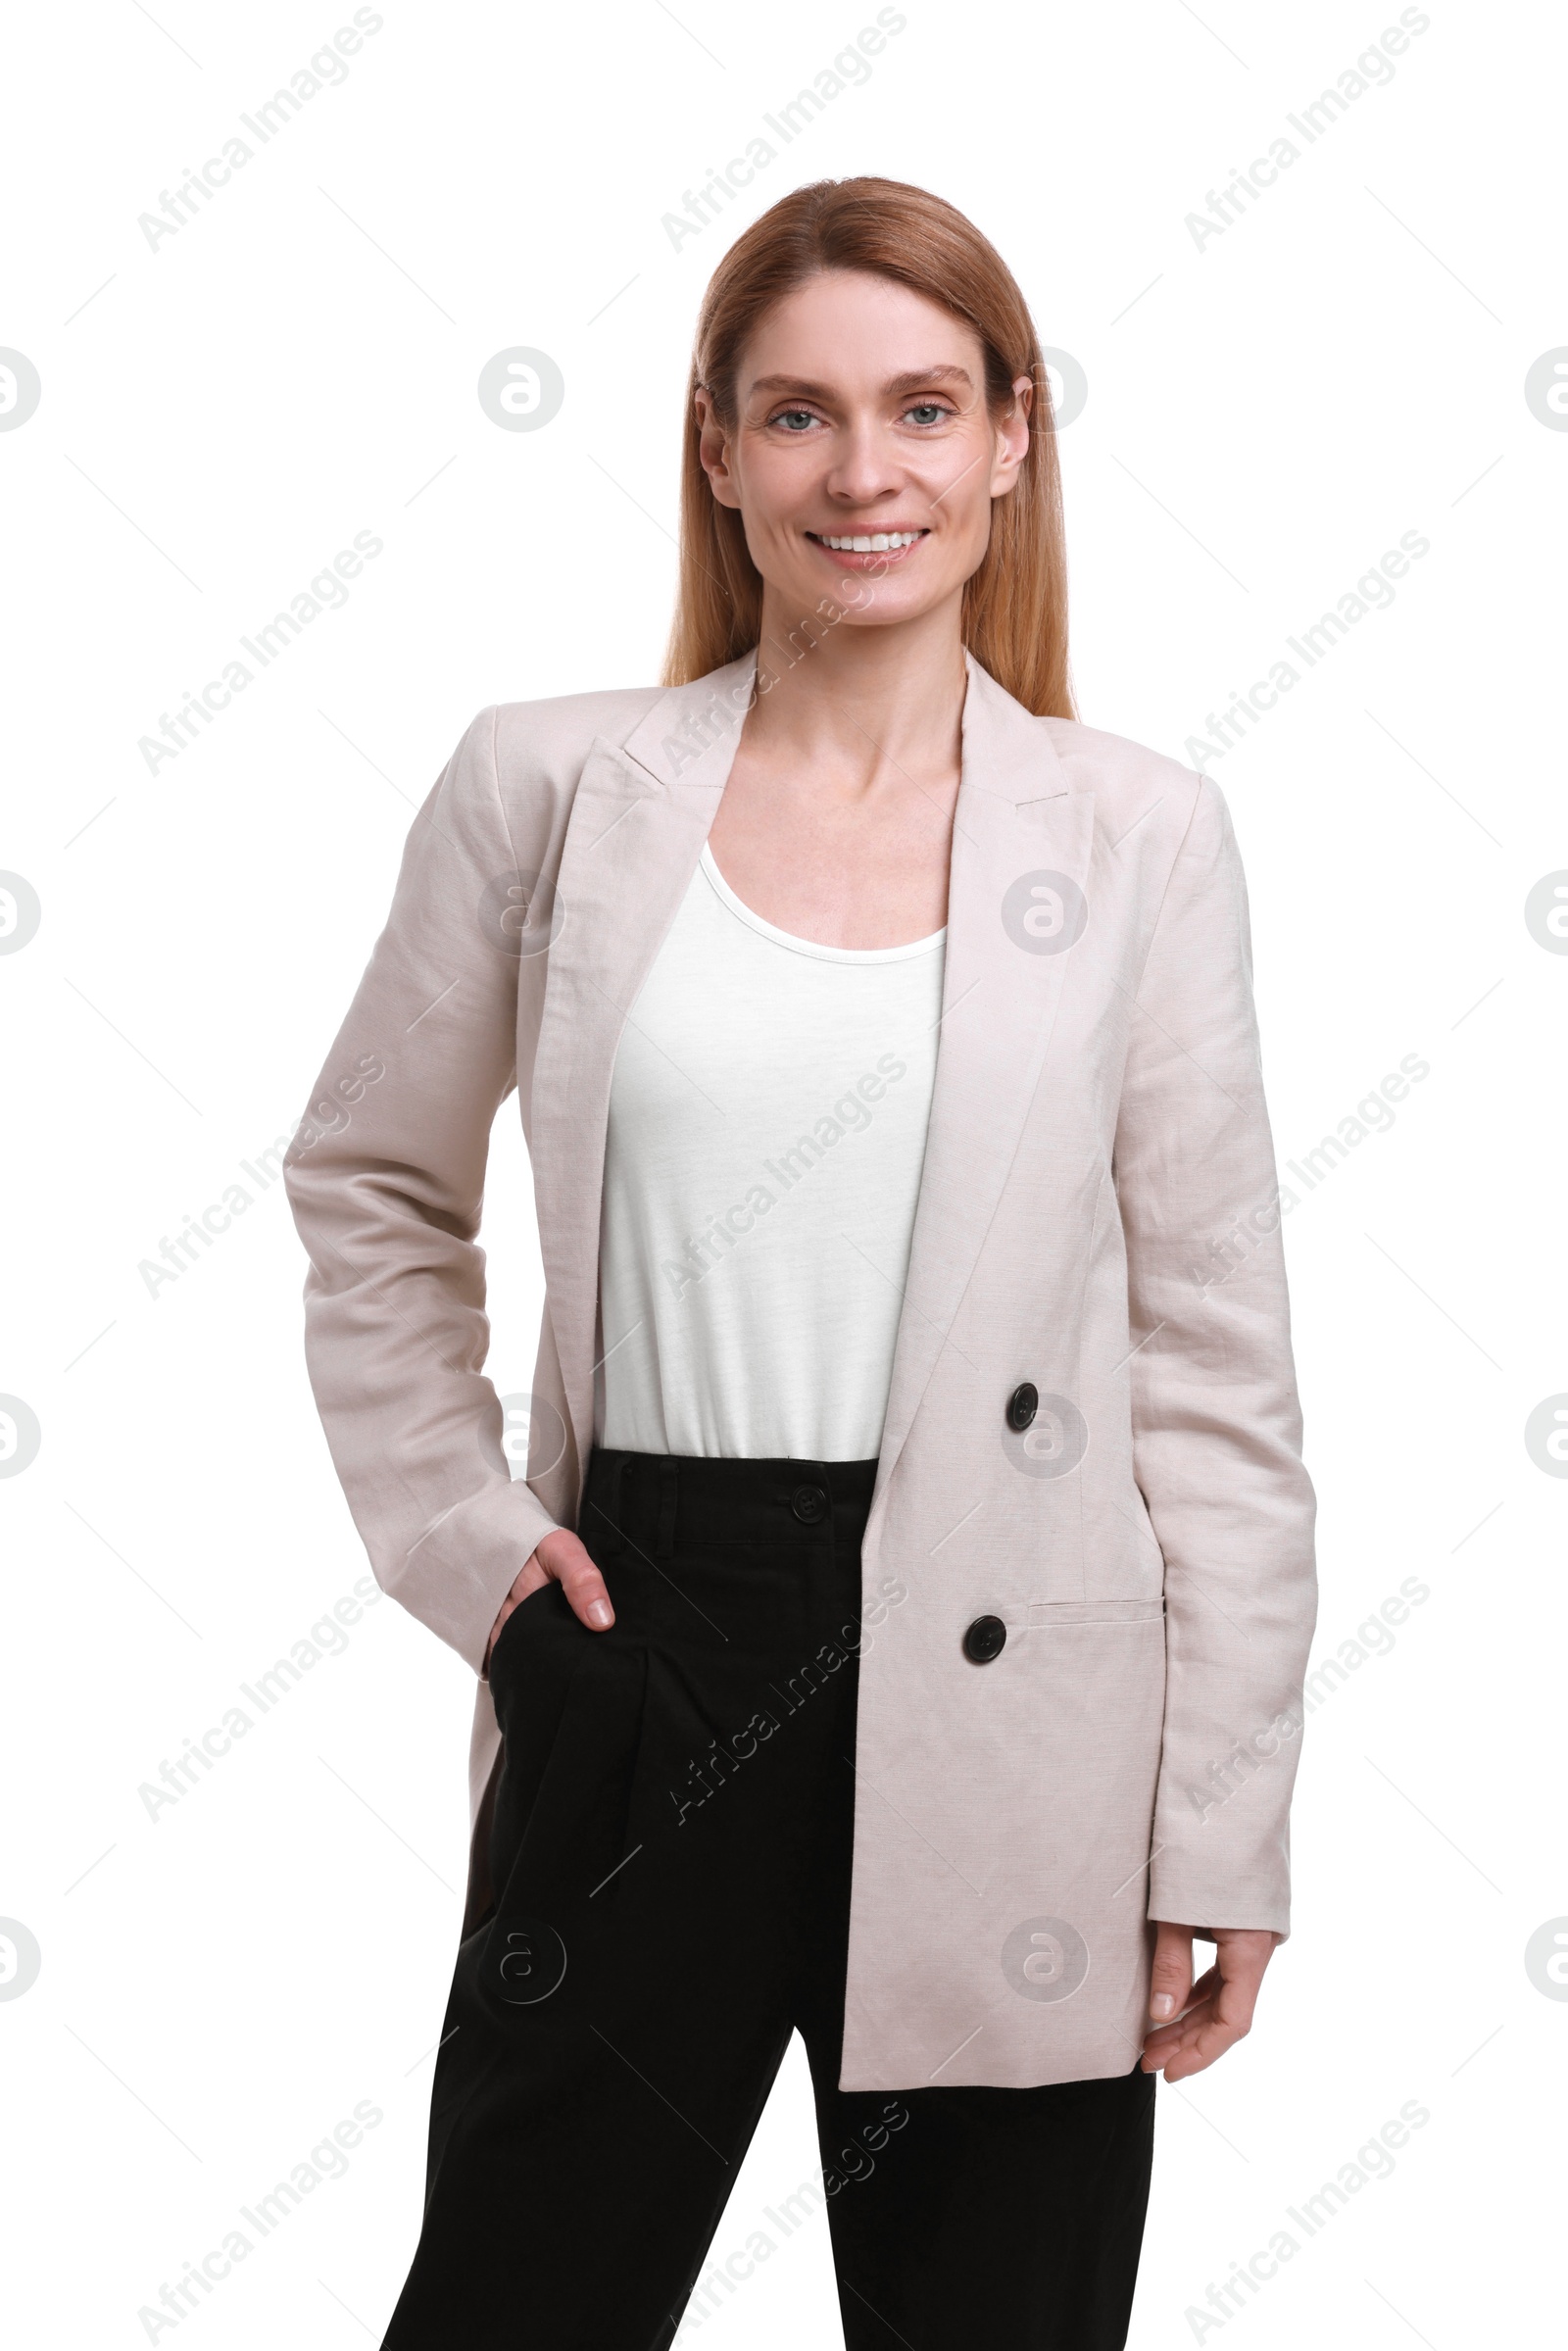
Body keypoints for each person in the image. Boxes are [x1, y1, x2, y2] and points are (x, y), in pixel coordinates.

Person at [284, 174, 1317, 2351]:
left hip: (1022, 1691)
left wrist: (1220, 1825)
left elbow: (1216, 1374)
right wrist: (477, 1554)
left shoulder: (1140, 837)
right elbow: (373, 1187)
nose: (866, 473)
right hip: (632, 1649)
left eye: (924, 408)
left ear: (1011, 439)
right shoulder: (545, 788)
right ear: (714, 446)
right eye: (801, 416)